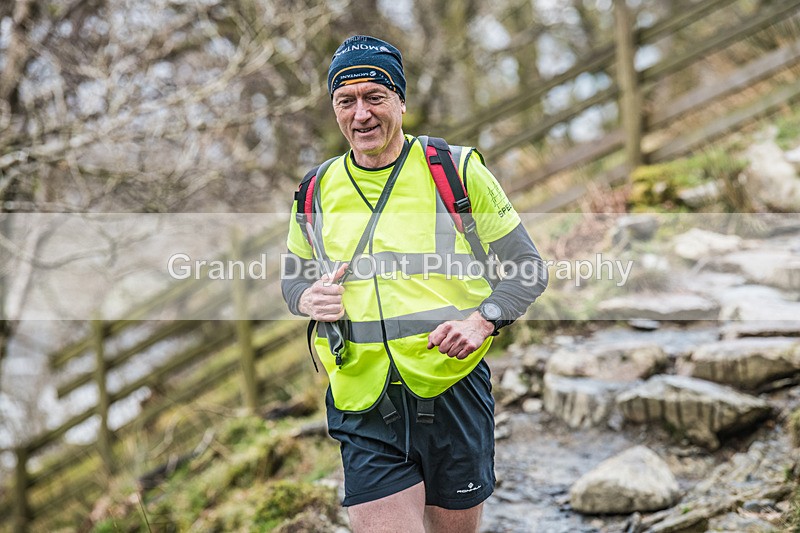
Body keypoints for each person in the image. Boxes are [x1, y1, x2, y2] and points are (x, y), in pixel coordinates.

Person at [281, 35, 547, 533]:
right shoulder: (315, 190)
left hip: (452, 388)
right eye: (346, 100)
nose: (360, 114)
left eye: (374, 97)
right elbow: (292, 277)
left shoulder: (455, 171)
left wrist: (483, 320)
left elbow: (529, 268)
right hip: (363, 404)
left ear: (401, 101)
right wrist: (305, 297)